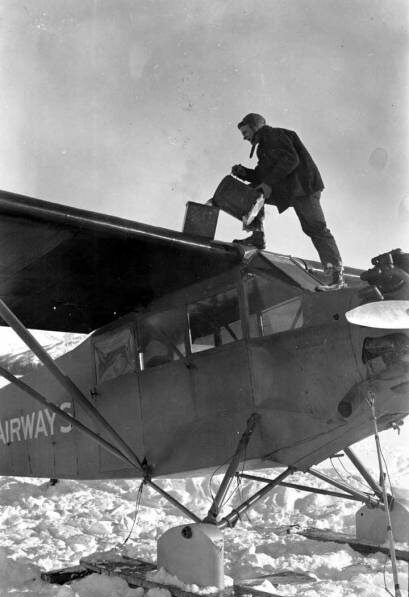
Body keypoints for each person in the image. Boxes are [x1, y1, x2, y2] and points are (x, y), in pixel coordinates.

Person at [231, 113, 344, 289]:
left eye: (245, 132)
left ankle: (337, 277)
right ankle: (257, 237)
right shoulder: (264, 146)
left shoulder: (273, 135)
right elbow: (263, 174)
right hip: (291, 190)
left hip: (303, 189)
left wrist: (267, 184)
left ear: (255, 127)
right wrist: (245, 173)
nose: (244, 137)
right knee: (254, 193)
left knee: (316, 229)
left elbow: (291, 159)